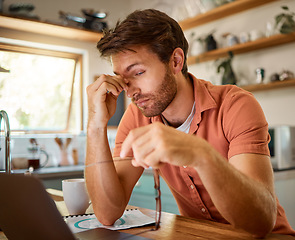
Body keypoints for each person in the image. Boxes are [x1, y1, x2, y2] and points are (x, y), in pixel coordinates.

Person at [85, 9, 295, 238]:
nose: (130, 90)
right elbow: (107, 214)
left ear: (176, 61)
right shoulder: (137, 116)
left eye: (138, 72)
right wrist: (96, 125)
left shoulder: (236, 105)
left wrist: (201, 154)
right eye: (122, 78)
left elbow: (261, 222)